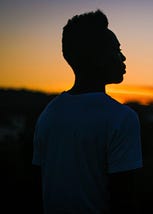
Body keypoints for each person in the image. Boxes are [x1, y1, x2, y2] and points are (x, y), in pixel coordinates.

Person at [32, 10, 143, 214]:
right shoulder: (121, 118)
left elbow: (38, 185)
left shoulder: (49, 114)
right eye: (117, 50)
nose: (123, 57)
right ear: (100, 58)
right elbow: (123, 199)